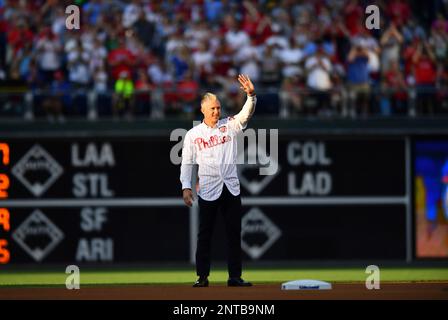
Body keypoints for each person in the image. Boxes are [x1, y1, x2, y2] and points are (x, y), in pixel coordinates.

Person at [180, 74, 256, 287]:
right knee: (205, 235)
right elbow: (187, 162)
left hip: (230, 188)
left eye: (218, 108)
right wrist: (186, 187)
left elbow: (245, 115)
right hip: (208, 190)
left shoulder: (229, 125)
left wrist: (251, 95)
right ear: (203, 110)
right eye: (212, 108)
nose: (216, 111)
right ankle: (202, 277)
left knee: (234, 234)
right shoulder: (193, 134)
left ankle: (234, 276)